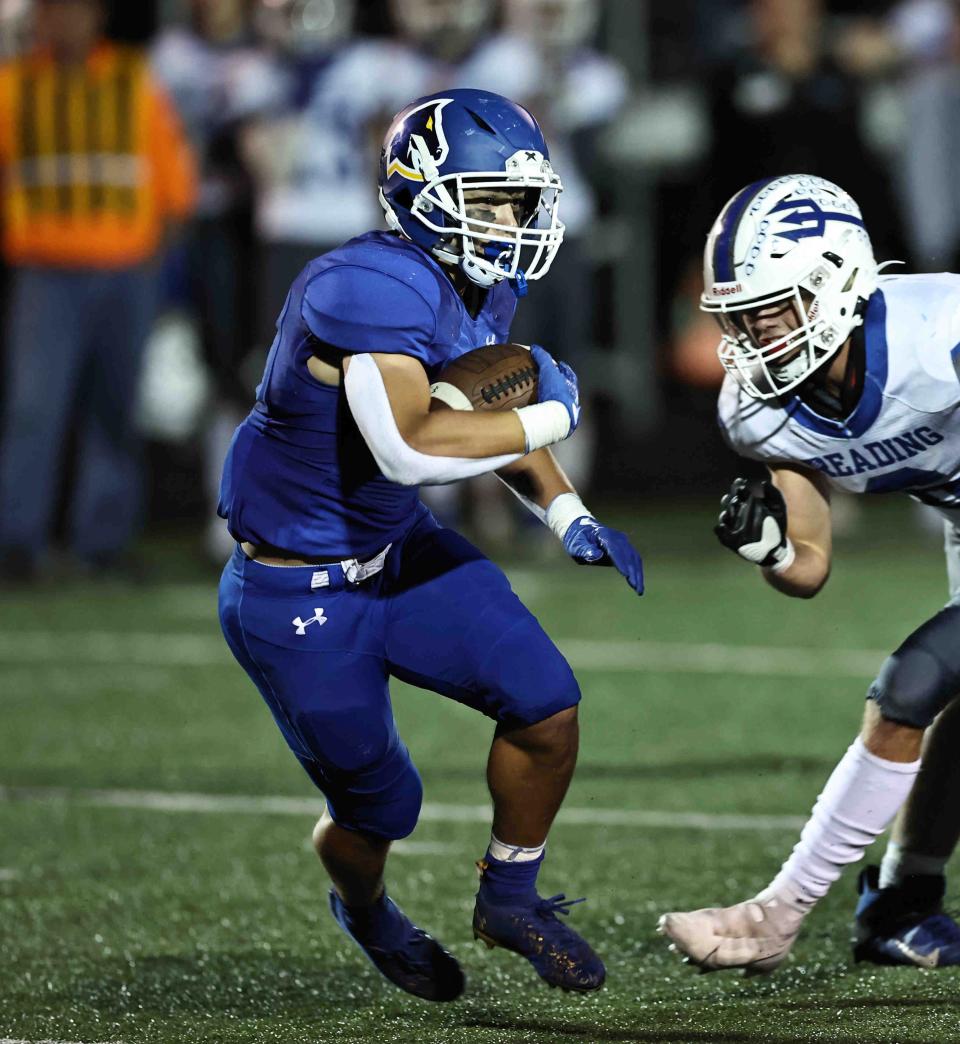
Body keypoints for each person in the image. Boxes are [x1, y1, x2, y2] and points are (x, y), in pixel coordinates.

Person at [217, 89, 644, 1001]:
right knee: (381, 811)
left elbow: (478, 418)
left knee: (546, 703)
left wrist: (566, 513)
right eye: (490, 200)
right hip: (299, 592)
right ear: (423, 192)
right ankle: (366, 911)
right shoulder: (362, 283)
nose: (513, 222)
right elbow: (411, 445)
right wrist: (558, 405)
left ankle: (511, 899)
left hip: (397, 548)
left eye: (520, 201)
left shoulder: (481, 276)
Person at [658, 173, 960, 973]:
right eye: (739, 315)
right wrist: (774, 552)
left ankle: (781, 914)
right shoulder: (757, 409)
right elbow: (812, 566)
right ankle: (899, 903)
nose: (752, 335)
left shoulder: (944, 328)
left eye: (771, 307)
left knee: (918, 680)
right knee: (937, 691)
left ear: (838, 281)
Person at [0, 0, 196, 582]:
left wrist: (153, 267)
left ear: (96, 17)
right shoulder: (15, 86)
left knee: (114, 408)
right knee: (34, 408)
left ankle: (101, 544)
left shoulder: (133, 80)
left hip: (124, 270)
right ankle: (17, 544)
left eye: (73, 12)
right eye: (51, 13)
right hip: (43, 273)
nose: (62, 24)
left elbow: (173, 184)